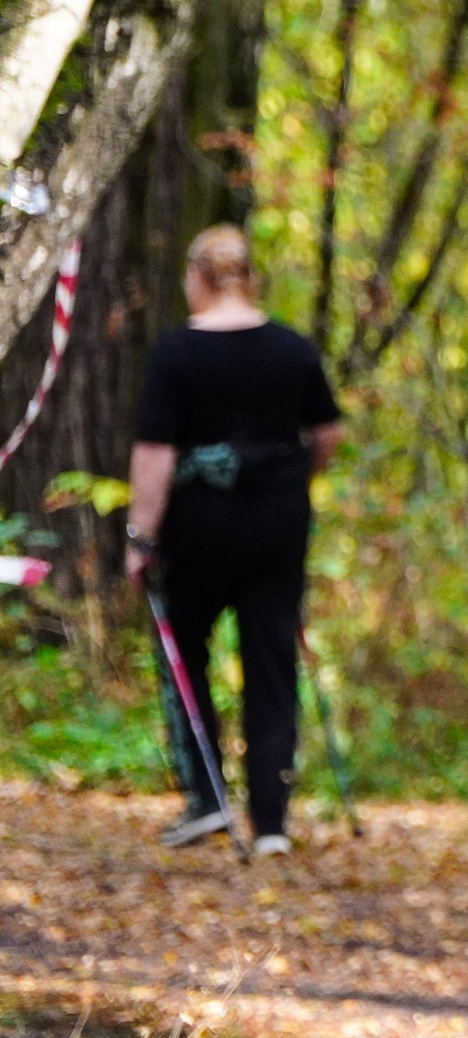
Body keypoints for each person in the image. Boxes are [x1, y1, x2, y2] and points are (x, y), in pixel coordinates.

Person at [126, 224, 345, 856]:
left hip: (198, 526)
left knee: (183, 651)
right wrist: (291, 474)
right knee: (272, 661)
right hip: (277, 523)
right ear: (250, 276)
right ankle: (272, 821)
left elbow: (156, 453)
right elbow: (327, 434)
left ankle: (207, 796)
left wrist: (141, 536)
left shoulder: (176, 355)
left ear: (197, 276)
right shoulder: (292, 349)